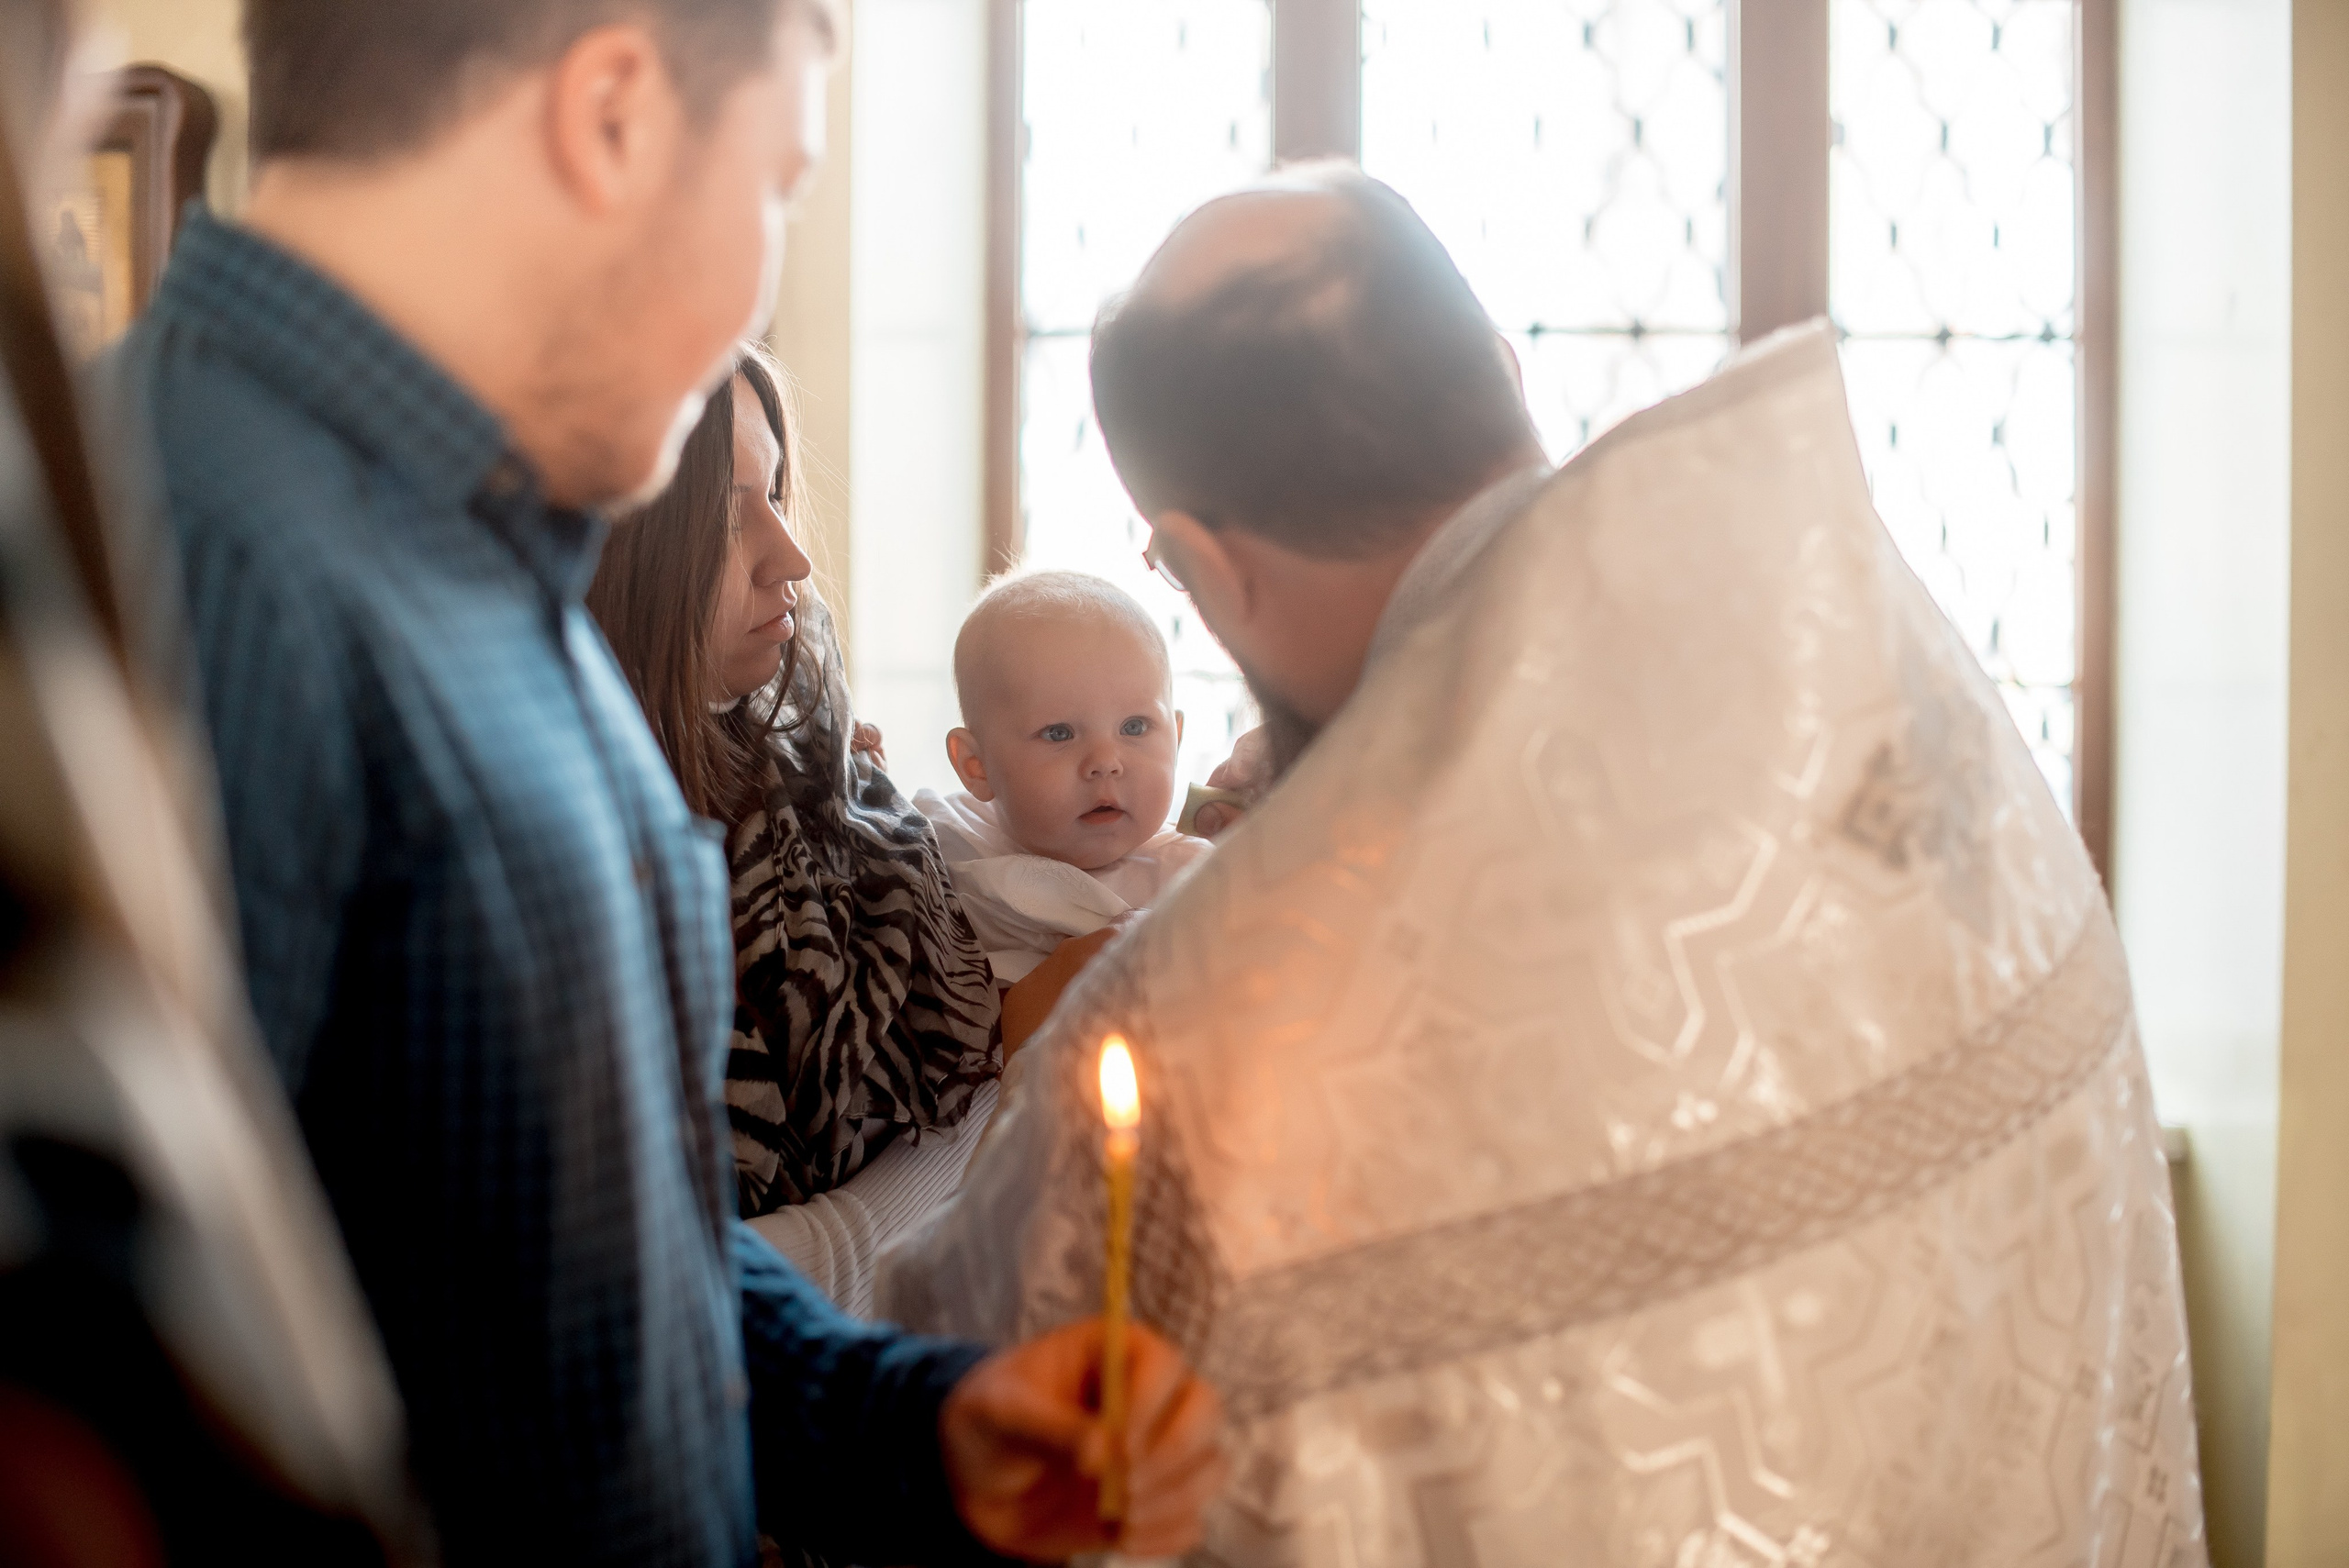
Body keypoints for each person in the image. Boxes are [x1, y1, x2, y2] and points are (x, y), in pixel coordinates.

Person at [875, 166, 2207, 1564]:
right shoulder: (1882, 662)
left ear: (1206, 567)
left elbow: (979, 1385)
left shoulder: (1242, 1000)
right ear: (1502, 373)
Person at [112, 2, 1224, 1563]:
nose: (766, 262)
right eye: (777, 178)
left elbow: (581, 1240)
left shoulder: (489, 549)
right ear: (614, 112)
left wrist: (900, 1417)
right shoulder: (201, 561)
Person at [588, 348, 1000, 1221]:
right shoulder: (588, 861)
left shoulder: (818, 774)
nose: (793, 557)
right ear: (613, 550)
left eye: (775, 496)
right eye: (727, 516)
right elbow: (707, 1289)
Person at [916, 571, 1214, 985]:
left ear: (1176, 739)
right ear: (976, 766)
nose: (1105, 762)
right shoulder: (944, 841)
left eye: (1135, 727)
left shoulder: (1197, 880)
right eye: (1059, 733)